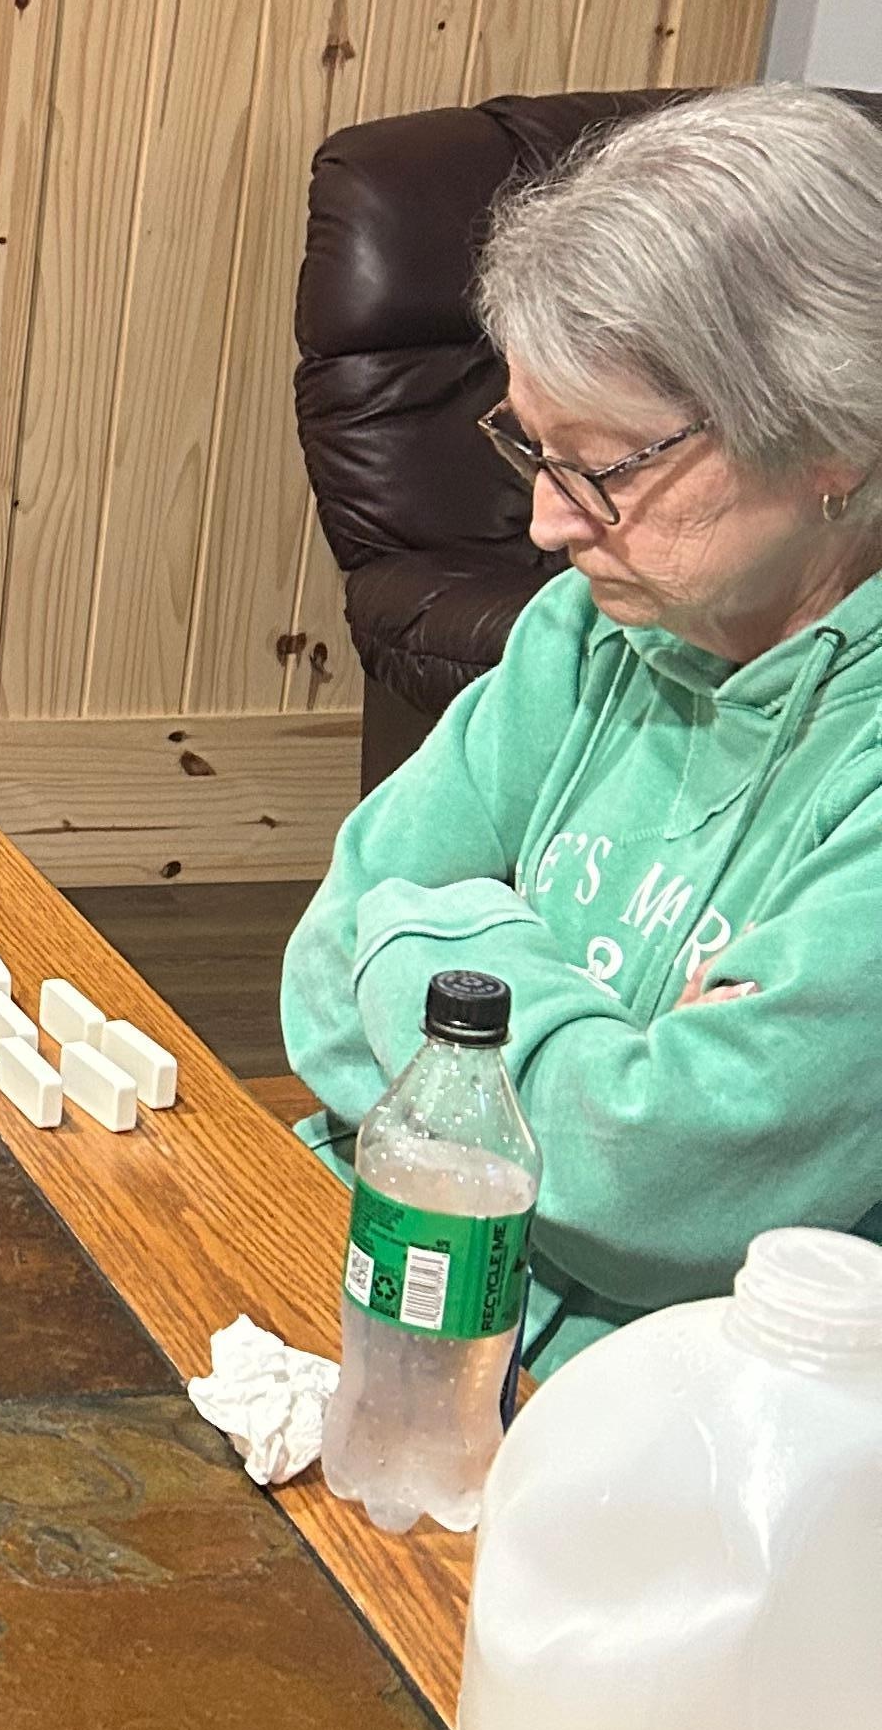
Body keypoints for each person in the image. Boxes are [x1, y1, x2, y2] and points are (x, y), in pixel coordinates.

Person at [282, 87, 882, 1380]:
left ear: (836, 437)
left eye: (603, 465)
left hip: (672, 1430)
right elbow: (318, 983)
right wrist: (589, 1040)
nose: (547, 526)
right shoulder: (589, 631)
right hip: (392, 1308)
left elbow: (658, 1188)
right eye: (534, 449)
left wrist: (445, 939)